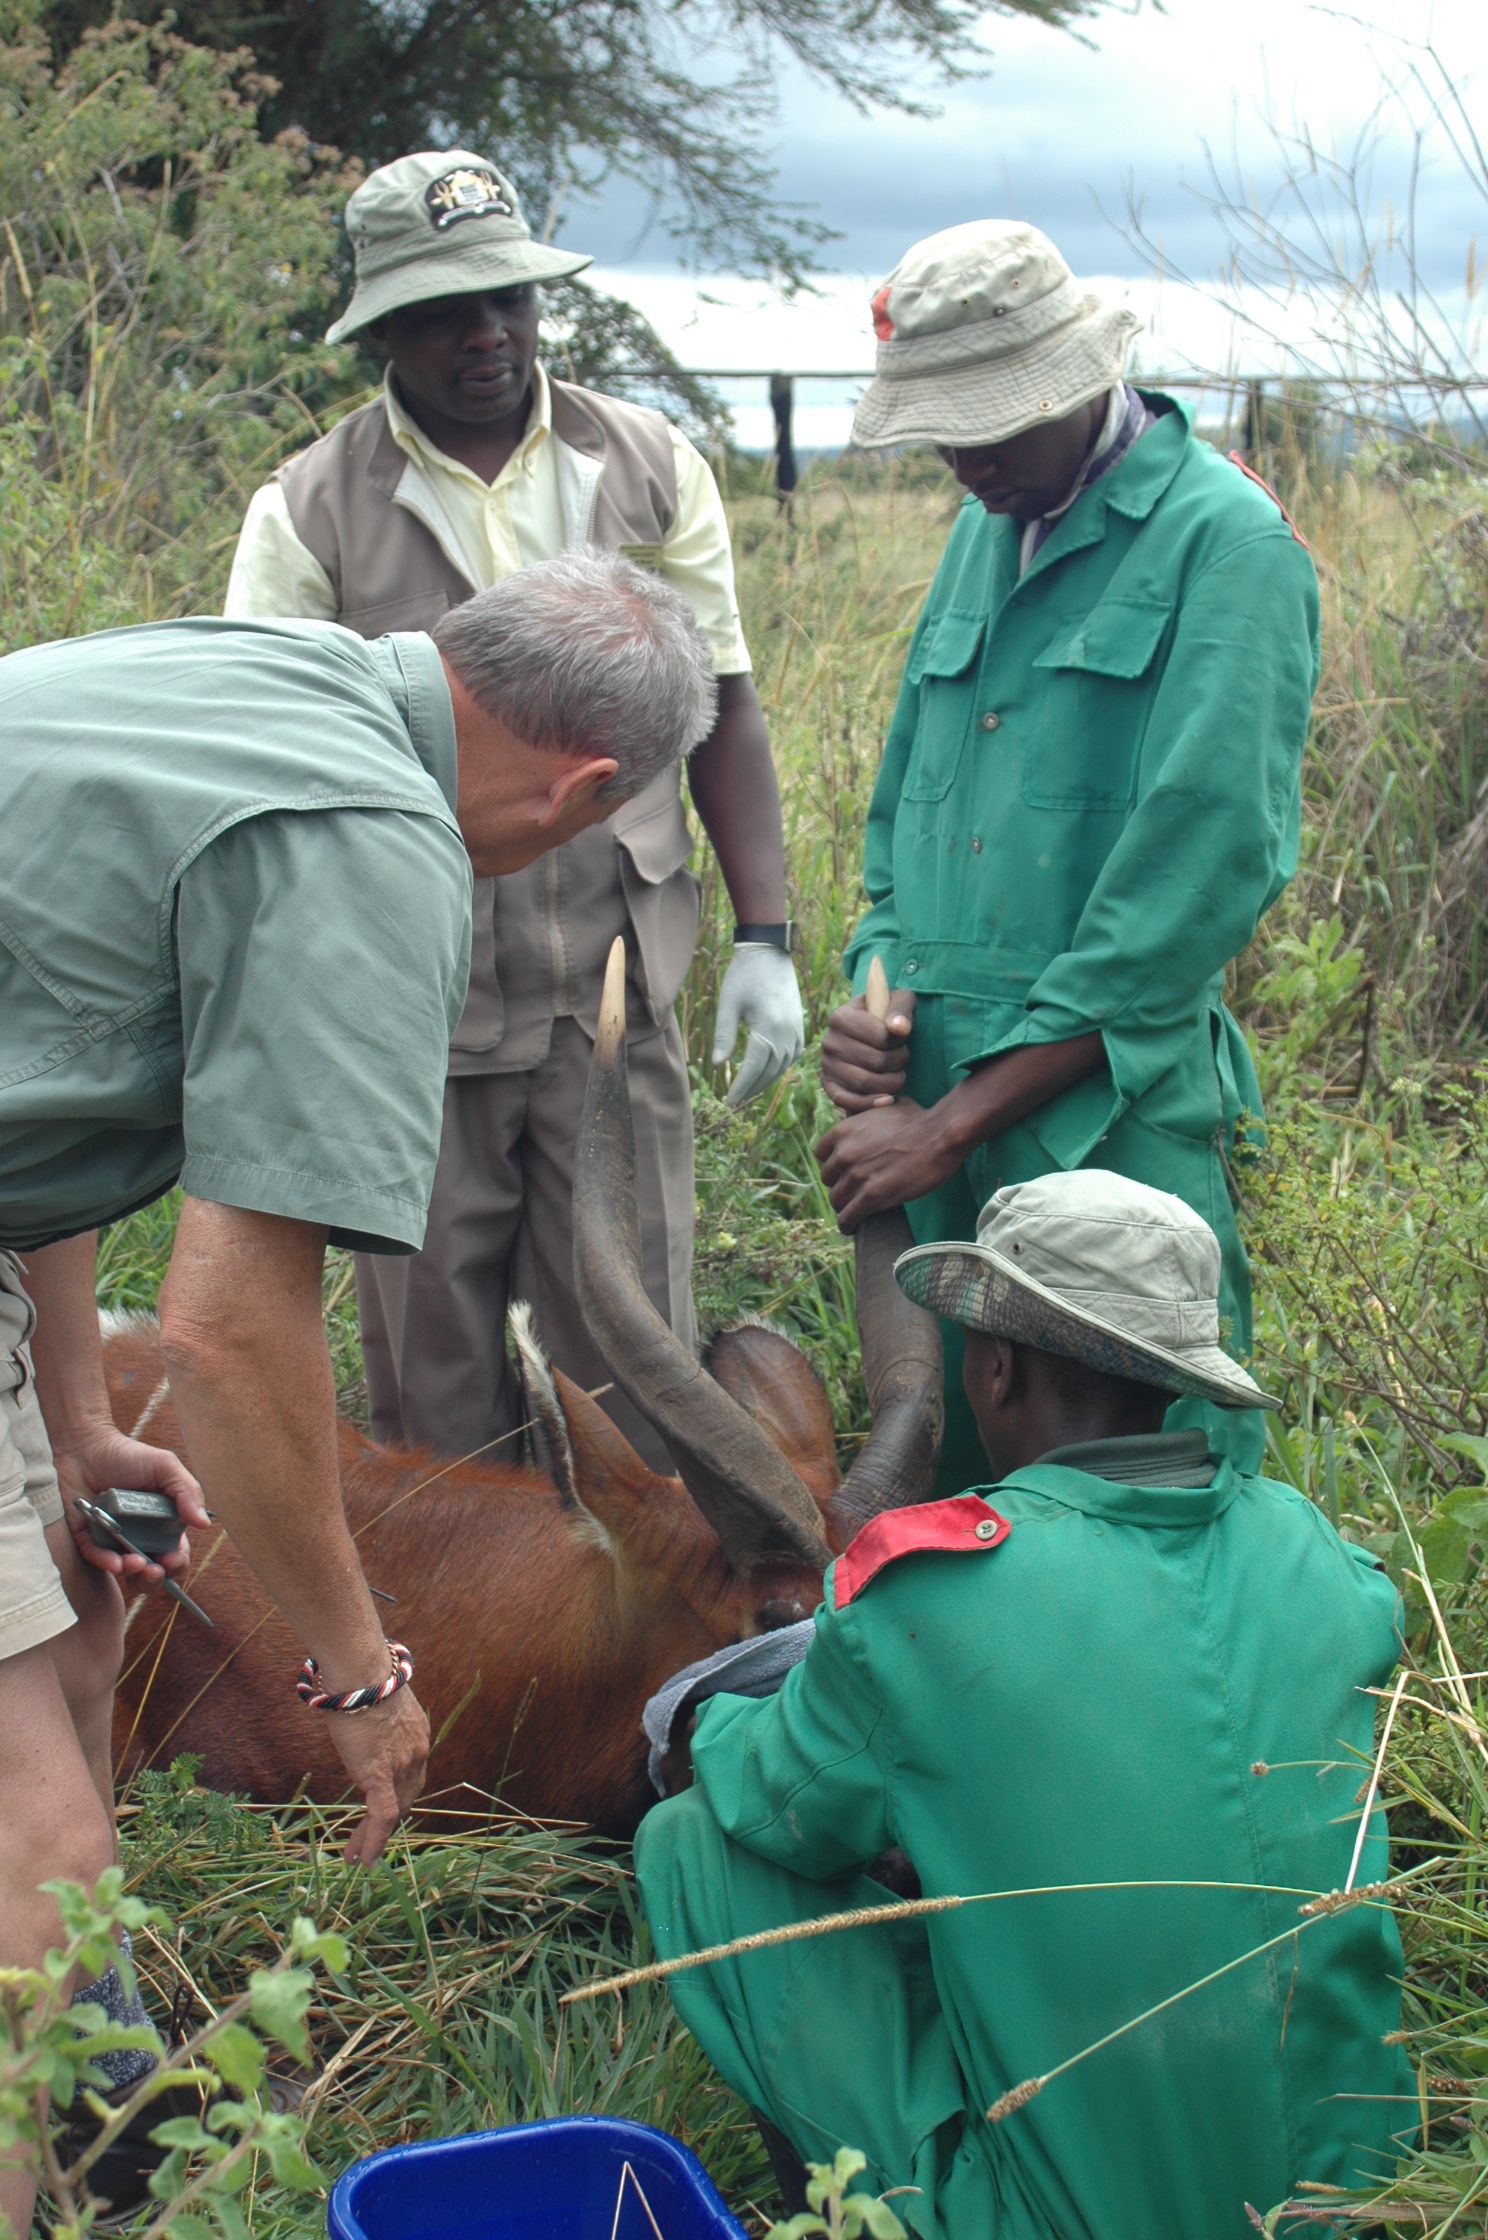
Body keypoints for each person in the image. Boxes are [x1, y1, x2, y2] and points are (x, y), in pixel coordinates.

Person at [0, 551, 715, 2232]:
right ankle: (79, 2149)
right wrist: (351, 1665)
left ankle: (94, 2098)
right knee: (33, 1824)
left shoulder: (265, 670)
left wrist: (71, 1421)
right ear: (585, 788)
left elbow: (54, 1062)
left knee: (83, 1599)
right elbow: (236, 1332)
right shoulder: (379, 848)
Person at [636, 1171, 1413, 2240]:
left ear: (995, 1367)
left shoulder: (934, 1594)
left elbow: (778, 1807)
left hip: (1072, 2220)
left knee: (694, 1844)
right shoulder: (1331, 1568)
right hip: (1362, 2208)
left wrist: (697, 1718)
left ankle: (849, 2206)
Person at [225, 150, 803, 1472]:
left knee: (638, 1370)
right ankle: (464, 1667)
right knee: (434, 1388)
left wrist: (764, 937)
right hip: (411, 1012)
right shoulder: (312, 508)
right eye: (440, 312)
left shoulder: (646, 468)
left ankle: (642, 1671)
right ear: (377, 331)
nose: (484, 334)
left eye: (506, 302)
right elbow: (276, 768)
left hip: (612, 992)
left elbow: (723, 705)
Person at [815, 218, 1320, 1490]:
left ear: (1083, 377)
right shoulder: (983, 528)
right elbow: (903, 828)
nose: (966, 460)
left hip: (1104, 1110)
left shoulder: (1228, 542)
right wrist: (877, 1002)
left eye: (994, 423)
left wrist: (956, 1121)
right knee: (959, 1502)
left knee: (1144, 1493)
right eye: (944, 431)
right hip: (931, 1112)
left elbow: (1198, 878)